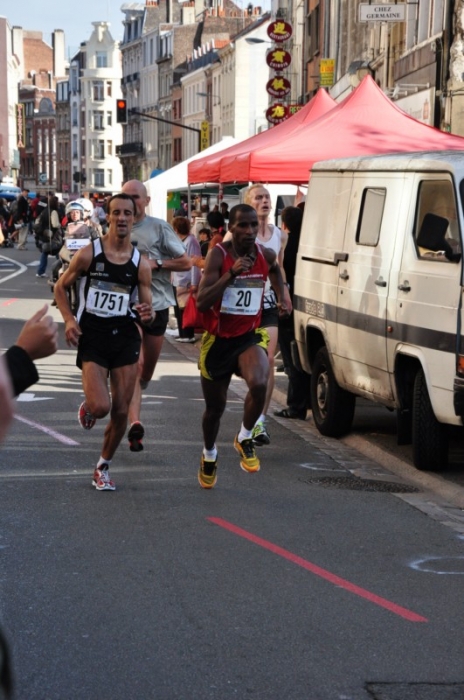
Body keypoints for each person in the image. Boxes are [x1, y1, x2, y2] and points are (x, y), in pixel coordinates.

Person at [54, 193, 154, 491]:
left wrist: (147, 313)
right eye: (116, 213)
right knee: (101, 407)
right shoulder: (89, 254)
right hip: (93, 336)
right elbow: (60, 287)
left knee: (121, 411)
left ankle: (102, 466)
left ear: (134, 218)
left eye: (127, 213)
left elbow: (146, 311)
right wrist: (69, 320)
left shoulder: (140, 265)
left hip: (124, 337)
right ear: (107, 217)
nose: (122, 218)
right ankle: (89, 405)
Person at [195, 203, 290, 489]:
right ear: (231, 228)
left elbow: (275, 269)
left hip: (249, 335)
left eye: (253, 225)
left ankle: (245, 436)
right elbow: (202, 302)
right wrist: (231, 274)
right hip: (218, 340)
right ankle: (209, 453)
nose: (250, 231)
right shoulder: (218, 255)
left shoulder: (265, 254)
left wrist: (282, 294)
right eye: (243, 226)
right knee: (215, 409)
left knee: (260, 382)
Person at [121, 179, 191, 452]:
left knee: (145, 372)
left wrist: (156, 263)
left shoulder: (159, 228)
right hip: (127, 306)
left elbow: (186, 262)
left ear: (147, 201)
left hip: (158, 304)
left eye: (135, 197)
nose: (130, 202)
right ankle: (135, 424)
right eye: (125, 196)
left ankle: (132, 393)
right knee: (135, 364)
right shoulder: (115, 227)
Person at [241, 184, 289, 447]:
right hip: (245, 304)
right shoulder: (237, 234)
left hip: (268, 302)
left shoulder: (279, 235)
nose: (264, 201)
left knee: (269, 359)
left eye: (267, 197)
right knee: (250, 362)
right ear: (249, 203)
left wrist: (285, 294)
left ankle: (260, 419)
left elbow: (279, 268)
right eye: (258, 197)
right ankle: (251, 406)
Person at [273, 206, 310, 419]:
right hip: (307, 303)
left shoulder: (285, 246)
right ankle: (305, 401)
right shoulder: (307, 244)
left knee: (291, 358)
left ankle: (296, 405)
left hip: (288, 305)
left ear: (284, 224)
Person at [171, 216, 202, 343]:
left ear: (176, 229)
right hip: (178, 279)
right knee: (178, 308)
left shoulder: (191, 241)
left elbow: (195, 263)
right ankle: (182, 333)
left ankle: (188, 334)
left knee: (185, 308)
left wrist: (194, 282)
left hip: (187, 281)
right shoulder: (181, 241)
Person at [35, 196, 63, 278]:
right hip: (53, 235)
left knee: (45, 253)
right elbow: (55, 224)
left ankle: (40, 271)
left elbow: (37, 221)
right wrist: (60, 226)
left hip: (45, 234)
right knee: (59, 252)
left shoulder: (44, 211)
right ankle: (61, 269)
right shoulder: (53, 211)